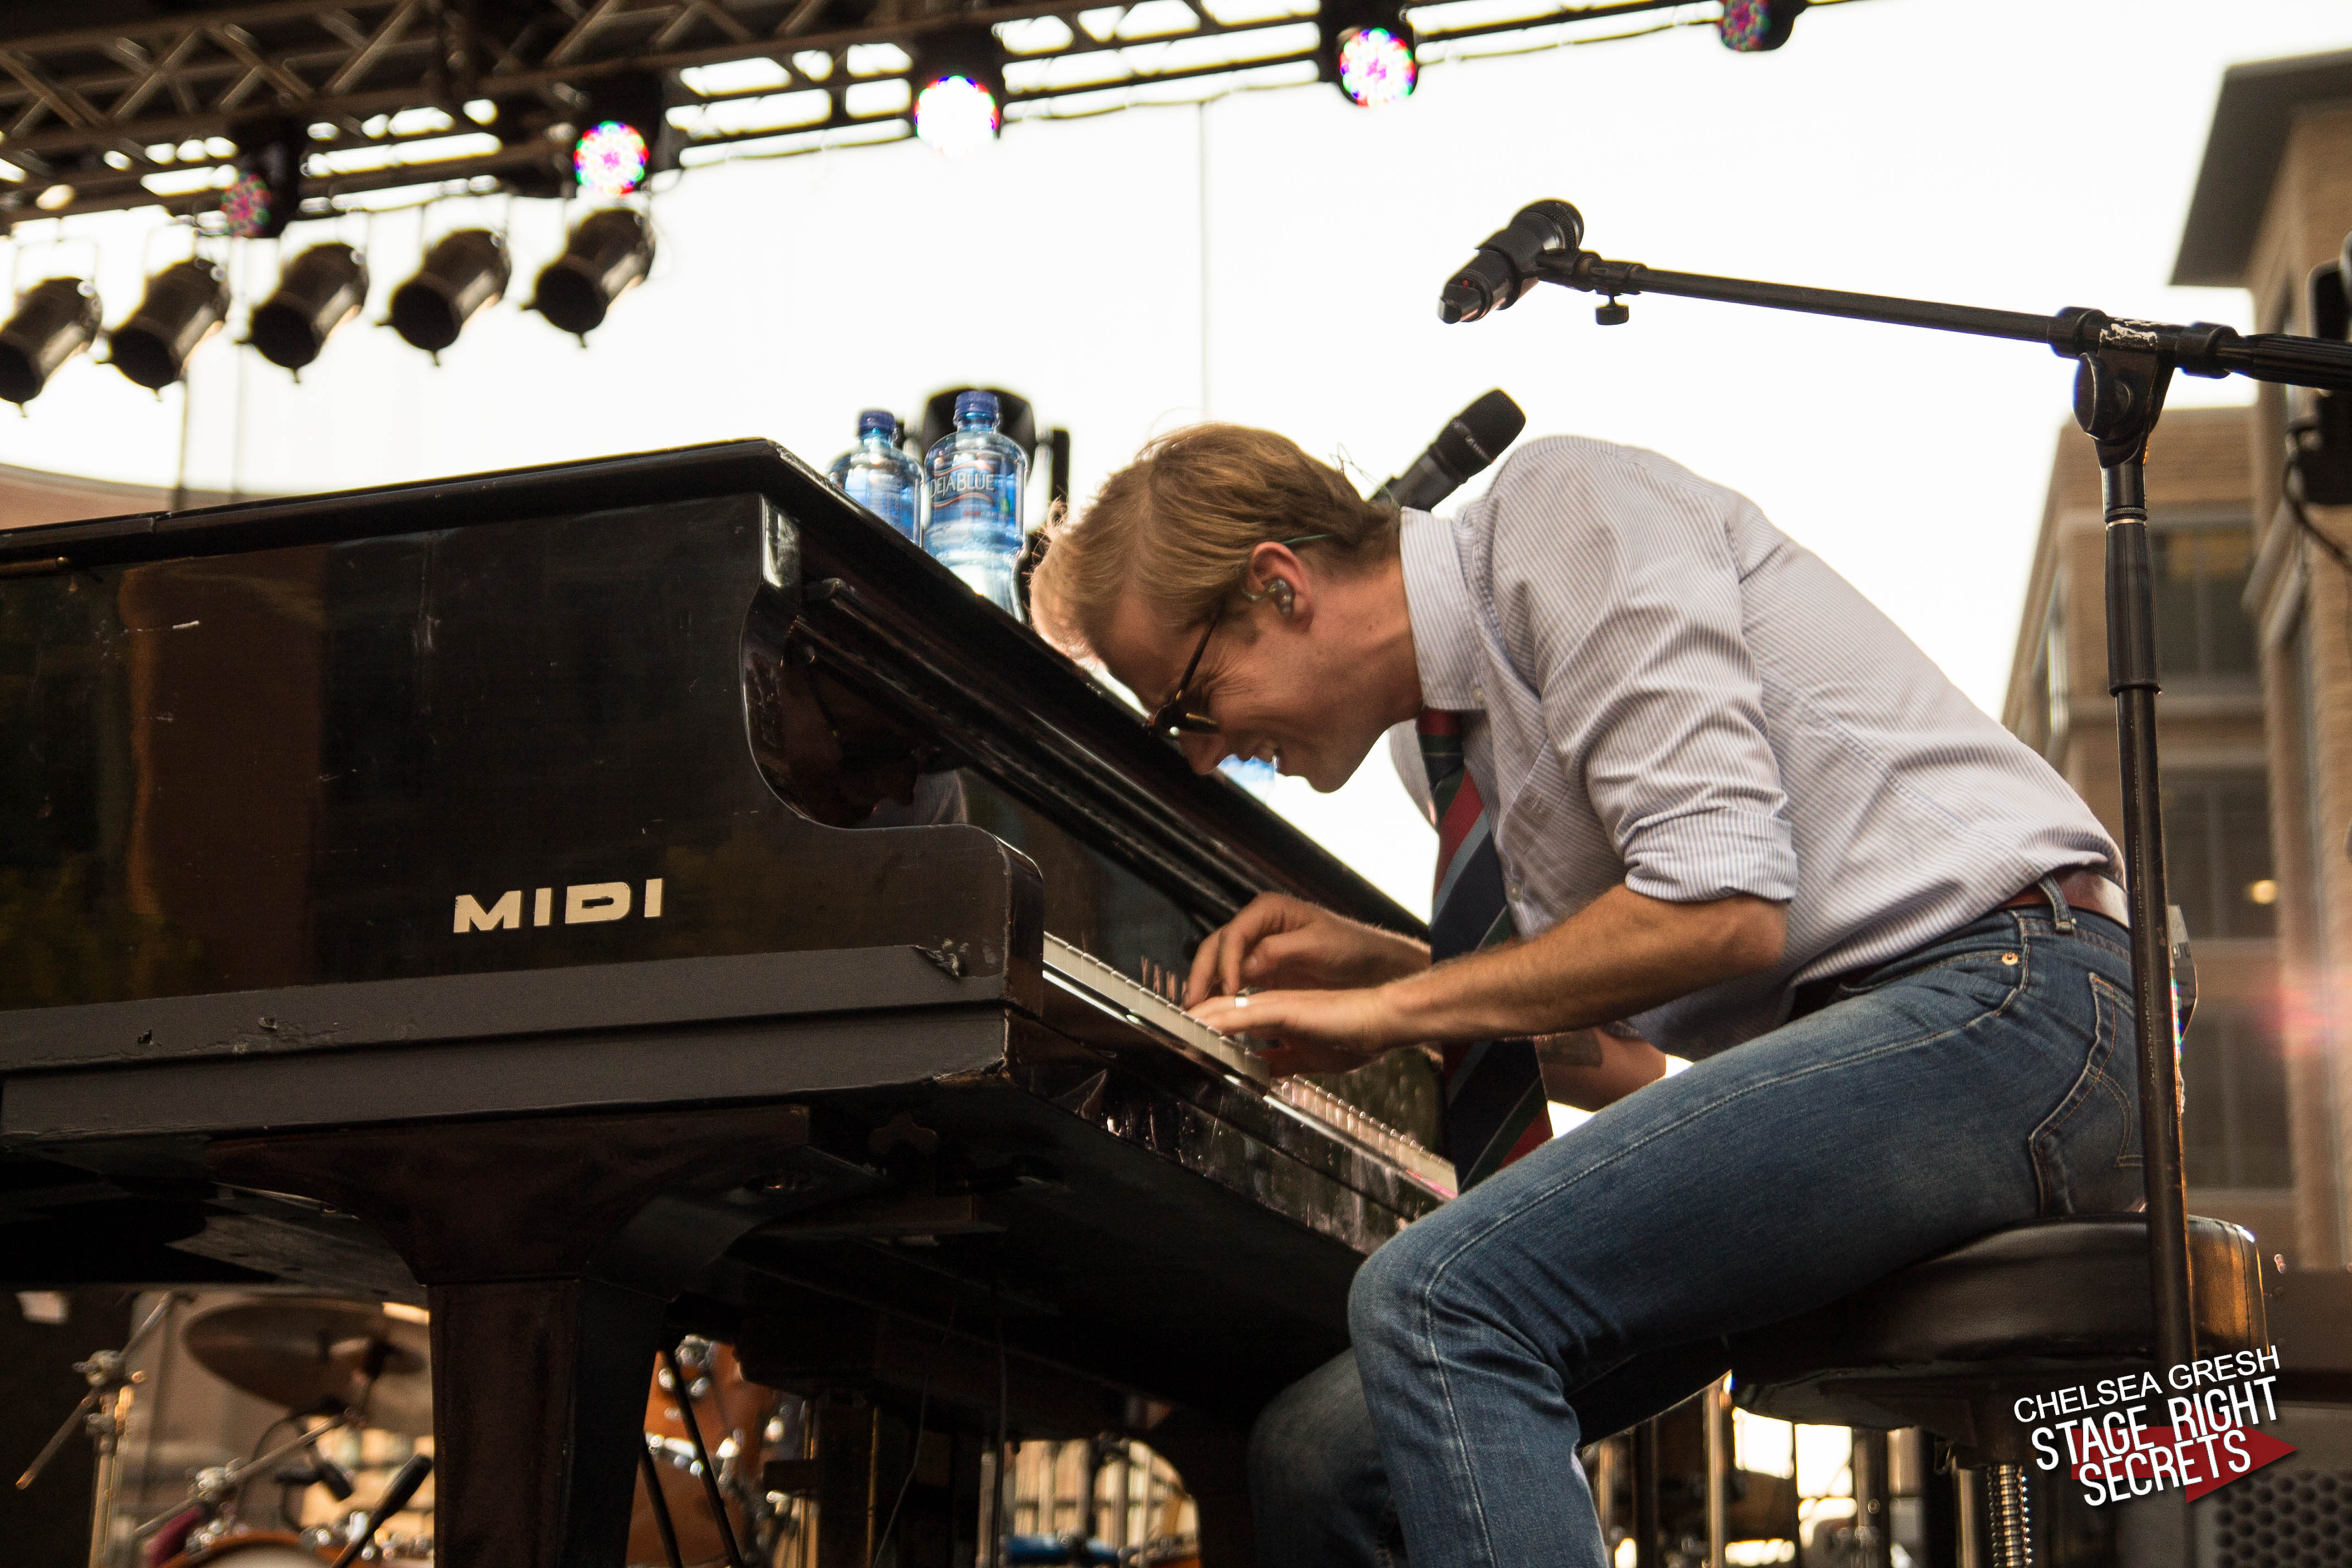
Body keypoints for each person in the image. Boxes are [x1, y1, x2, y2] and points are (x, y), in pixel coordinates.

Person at [1028, 422, 2141, 1568]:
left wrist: (1389, 1013)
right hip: (1897, 1051)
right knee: (1318, 1454)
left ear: (1279, 585)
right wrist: (1388, 966)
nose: (1200, 755)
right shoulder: (1431, 749)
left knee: (1440, 1297)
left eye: (1188, 702)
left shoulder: (1561, 513)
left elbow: (1720, 905)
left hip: (2025, 1002)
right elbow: (1621, 1057)